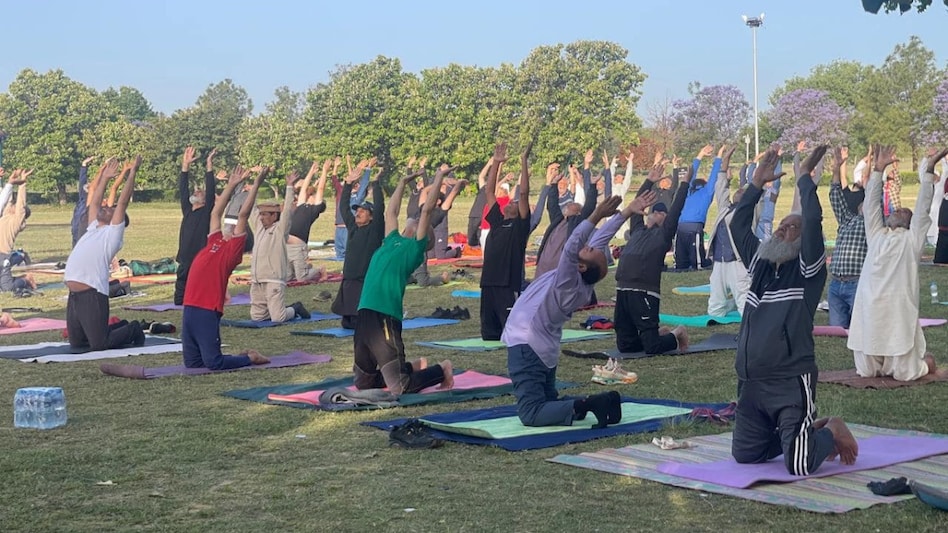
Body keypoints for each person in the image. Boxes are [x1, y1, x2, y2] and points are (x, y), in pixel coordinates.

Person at [729, 146, 858, 475]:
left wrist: (804, 180)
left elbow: (812, 220)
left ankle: (830, 431)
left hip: (789, 381)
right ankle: (803, 432)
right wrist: (755, 186)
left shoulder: (807, 271)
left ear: (804, 241)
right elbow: (738, 227)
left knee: (799, 464)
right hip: (751, 382)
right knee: (746, 454)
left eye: (791, 228)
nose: (782, 230)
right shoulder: (760, 263)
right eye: (781, 226)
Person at [503, 192, 657, 428]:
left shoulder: (566, 281)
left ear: (582, 266)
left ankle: (591, 405)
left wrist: (596, 215)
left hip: (526, 343)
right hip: (544, 348)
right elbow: (600, 241)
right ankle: (598, 402)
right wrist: (626, 212)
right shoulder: (582, 283)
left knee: (531, 413)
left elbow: (573, 243)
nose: (589, 245)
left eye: (589, 250)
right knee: (548, 403)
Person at [847, 145, 948, 381]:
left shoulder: (912, 240)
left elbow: (922, 208)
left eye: (905, 211)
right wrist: (878, 170)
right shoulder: (876, 235)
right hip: (869, 310)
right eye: (899, 209)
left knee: (905, 373)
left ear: (910, 222)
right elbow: (871, 206)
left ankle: (924, 364)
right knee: (867, 371)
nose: (900, 209)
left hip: (897, 312)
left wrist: (929, 171)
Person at [352, 164, 454, 395]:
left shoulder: (414, 249)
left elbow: (427, 211)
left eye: (418, 224)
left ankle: (442, 369)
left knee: (400, 387)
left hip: (385, 315)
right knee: (363, 383)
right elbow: (391, 213)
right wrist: (401, 183)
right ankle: (410, 368)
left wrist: (438, 178)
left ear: (420, 233)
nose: (413, 220)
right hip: (365, 310)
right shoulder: (392, 240)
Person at [182, 166, 270, 370]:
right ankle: (238, 356)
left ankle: (251, 358)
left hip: (207, 308)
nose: (228, 227)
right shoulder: (215, 241)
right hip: (190, 305)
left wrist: (256, 185)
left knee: (214, 363)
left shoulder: (232, 251)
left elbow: (243, 215)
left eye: (235, 230)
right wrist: (231, 184)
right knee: (192, 363)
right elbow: (215, 213)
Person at [64, 157, 146, 351]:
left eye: (110, 210)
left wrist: (132, 172)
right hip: (74, 296)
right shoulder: (93, 228)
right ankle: (120, 327)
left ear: (116, 220)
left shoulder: (112, 235)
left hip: (92, 295)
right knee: (77, 343)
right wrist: (105, 178)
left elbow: (122, 202)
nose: (106, 208)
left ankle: (133, 329)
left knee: (99, 344)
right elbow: (94, 203)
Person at [614, 154, 689, 354]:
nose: (657, 212)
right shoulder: (637, 230)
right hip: (623, 289)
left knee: (652, 348)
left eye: (662, 213)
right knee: (625, 346)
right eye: (655, 210)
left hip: (644, 292)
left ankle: (677, 333)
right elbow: (637, 203)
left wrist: (684, 184)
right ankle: (658, 334)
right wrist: (649, 181)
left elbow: (676, 210)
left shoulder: (664, 235)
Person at [480, 143, 531, 340]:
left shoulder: (520, 226)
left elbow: (524, 193)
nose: (512, 201)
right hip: (488, 282)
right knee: (489, 335)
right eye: (511, 201)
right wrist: (496, 162)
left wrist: (524, 162)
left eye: (515, 203)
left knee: (511, 332)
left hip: (507, 284)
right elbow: (489, 192)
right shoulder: (497, 221)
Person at [249, 171, 310, 323]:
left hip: (273, 280)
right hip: (257, 280)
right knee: (257, 317)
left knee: (278, 318)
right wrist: (255, 184)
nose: (261, 217)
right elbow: (250, 208)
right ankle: (277, 309)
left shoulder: (280, 230)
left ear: (274, 216)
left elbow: (287, 211)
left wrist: (289, 187)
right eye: (261, 214)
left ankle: (295, 308)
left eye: (265, 214)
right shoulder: (259, 228)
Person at [331, 160, 385, 329]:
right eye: (358, 210)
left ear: (371, 216)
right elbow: (344, 208)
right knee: (347, 323)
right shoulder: (353, 228)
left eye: (363, 211)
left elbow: (380, 208)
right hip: (349, 279)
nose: (358, 213)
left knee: (358, 321)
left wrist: (375, 184)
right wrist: (347, 184)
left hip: (364, 280)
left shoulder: (375, 230)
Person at [533, 150, 597, 280]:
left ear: (578, 212)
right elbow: (552, 204)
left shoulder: (577, 223)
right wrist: (554, 184)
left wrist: (592, 185)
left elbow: (590, 206)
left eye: (574, 205)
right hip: (543, 268)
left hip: (559, 270)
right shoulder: (558, 220)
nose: (570, 205)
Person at [706, 147, 751, 318]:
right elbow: (721, 187)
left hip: (737, 261)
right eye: (739, 189)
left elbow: (757, 191)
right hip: (719, 260)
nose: (739, 190)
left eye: (744, 191)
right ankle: (726, 306)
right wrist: (725, 161)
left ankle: (744, 308)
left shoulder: (748, 212)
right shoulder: (725, 209)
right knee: (715, 309)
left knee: (745, 304)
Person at [827, 147, 867, 329]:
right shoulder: (846, 219)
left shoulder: (872, 225)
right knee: (837, 331)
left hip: (857, 282)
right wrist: (837, 168)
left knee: (860, 329)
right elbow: (835, 193)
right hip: (836, 283)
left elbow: (875, 191)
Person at [173, 146, 218, 305]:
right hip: (185, 256)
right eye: (196, 191)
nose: (197, 191)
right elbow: (183, 189)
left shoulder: (206, 211)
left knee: (200, 286)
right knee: (181, 287)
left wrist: (209, 165)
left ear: (205, 200)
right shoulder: (187, 210)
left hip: (199, 256)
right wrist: (185, 165)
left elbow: (211, 190)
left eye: (200, 192)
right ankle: (180, 301)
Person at [675, 144, 721, 270]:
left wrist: (700, 154)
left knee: (680, 263)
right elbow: (714, 176)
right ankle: (701, 263)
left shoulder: (688, 191)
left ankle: (681, 264)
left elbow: (691, 173)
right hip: (694, 227)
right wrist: (719, 156)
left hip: (680, 226)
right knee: (697, 263)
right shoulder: (707, 192)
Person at [286, 159, 329, 282]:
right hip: (286, 246)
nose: (312, 195)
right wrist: (311, 171)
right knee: (287, 277)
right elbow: (304, 187)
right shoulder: (301, 205)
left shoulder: (314, 210)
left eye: (314, 197)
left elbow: (320, 189)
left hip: (298, 247)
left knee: (301, 278)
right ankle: (306, 267)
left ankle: (320, 270)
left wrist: (324, 171)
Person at [331, 157, 369, 261]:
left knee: (349, 254)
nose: (357, 185)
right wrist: (341, 165)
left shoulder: (358, 197)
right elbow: (338, 180)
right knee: (339, 256)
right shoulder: (342, 193)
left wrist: (367, 169)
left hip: (347, 228)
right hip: (338, 227)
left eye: (358, 184)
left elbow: (364, 184)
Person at [0, 169, 31, 292]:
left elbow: (21, 204)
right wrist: (10, 181)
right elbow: (5, 200)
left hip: (3, 256)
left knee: (7, 288)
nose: (12, 205)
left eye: (14, 205)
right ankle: (20, 255)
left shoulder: (16, 221)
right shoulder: (5, 215)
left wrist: (22, 184)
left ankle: (26, 279)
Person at [71, 157, 95, 247]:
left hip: (82, 228)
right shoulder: (83, 197)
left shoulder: (92, 200)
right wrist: (84, 165)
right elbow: (82, 181)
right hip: (76, 227)